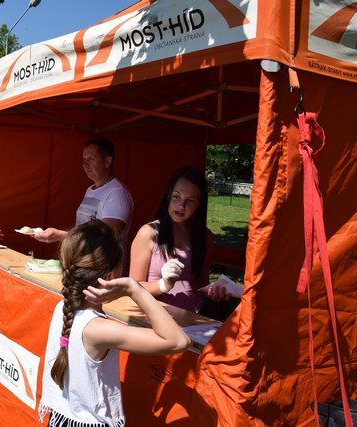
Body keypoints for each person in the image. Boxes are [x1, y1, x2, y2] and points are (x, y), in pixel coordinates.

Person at [39, 220, 190, 426]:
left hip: (61, 418)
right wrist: (133, 288)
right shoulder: (99, 329)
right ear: (111, 275)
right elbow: (179, 341)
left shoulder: (63, 308)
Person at [129, 166, 230, 314]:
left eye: (190, 201)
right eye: (176, 196)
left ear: (200, 204)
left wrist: (213, 291)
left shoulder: (205, 236)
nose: (181, 206)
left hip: (193, 319)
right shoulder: (148, 233)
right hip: (154, 318)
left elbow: (201, 282)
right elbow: (133, 287)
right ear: (168, 195)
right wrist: (163, 285)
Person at [33, 136, 133, 264]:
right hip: (81, 265)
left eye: (91, 159)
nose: (85, 164)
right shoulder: (90, 190)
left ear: (107, 161)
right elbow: (83, 229)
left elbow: (106, 238)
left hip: (102, 271)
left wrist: (60, 235)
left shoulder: (117, 193)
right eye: (84, 159)